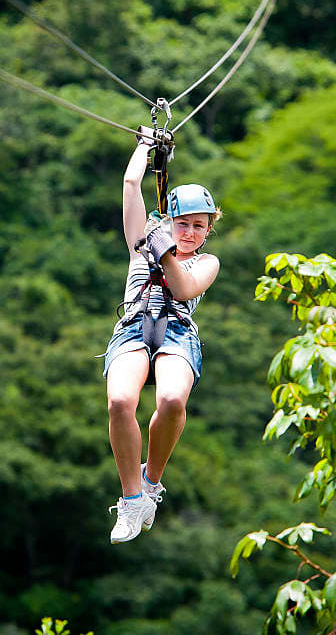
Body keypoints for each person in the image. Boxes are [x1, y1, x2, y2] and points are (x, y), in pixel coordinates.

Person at [102, 139, 221, 544]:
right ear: (169, 221)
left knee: (171, 400)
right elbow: (131, 182)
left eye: (198, 226)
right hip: (134, 325)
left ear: (207, 231)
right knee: (120, 402)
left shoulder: (206, 262)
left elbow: (184, 288)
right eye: (182, 223)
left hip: (176, 332)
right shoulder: (141, 241)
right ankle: (132, 497)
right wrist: (144, 145)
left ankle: (152, 482)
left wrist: (165, 251)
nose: (189, 233)